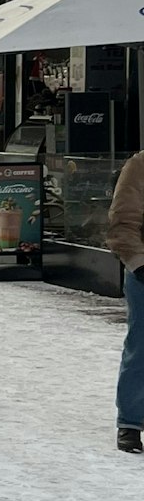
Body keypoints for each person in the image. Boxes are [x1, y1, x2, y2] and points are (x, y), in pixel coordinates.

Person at [103, 152, 144, 453]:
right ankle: (130, 422)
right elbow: (123, 219)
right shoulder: (140, 165)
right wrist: (138, 263)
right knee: (141, 346)